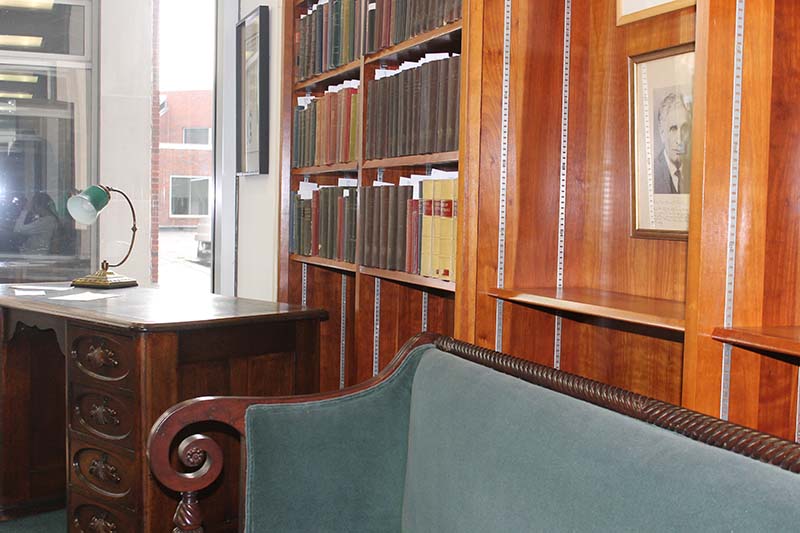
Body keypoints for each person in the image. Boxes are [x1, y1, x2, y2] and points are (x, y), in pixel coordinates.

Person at [653, 92, 691, 194]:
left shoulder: (695, 170)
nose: (679, 140)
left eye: (684, 128)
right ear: (662, 133)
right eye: (673, 129)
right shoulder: (652, 173)